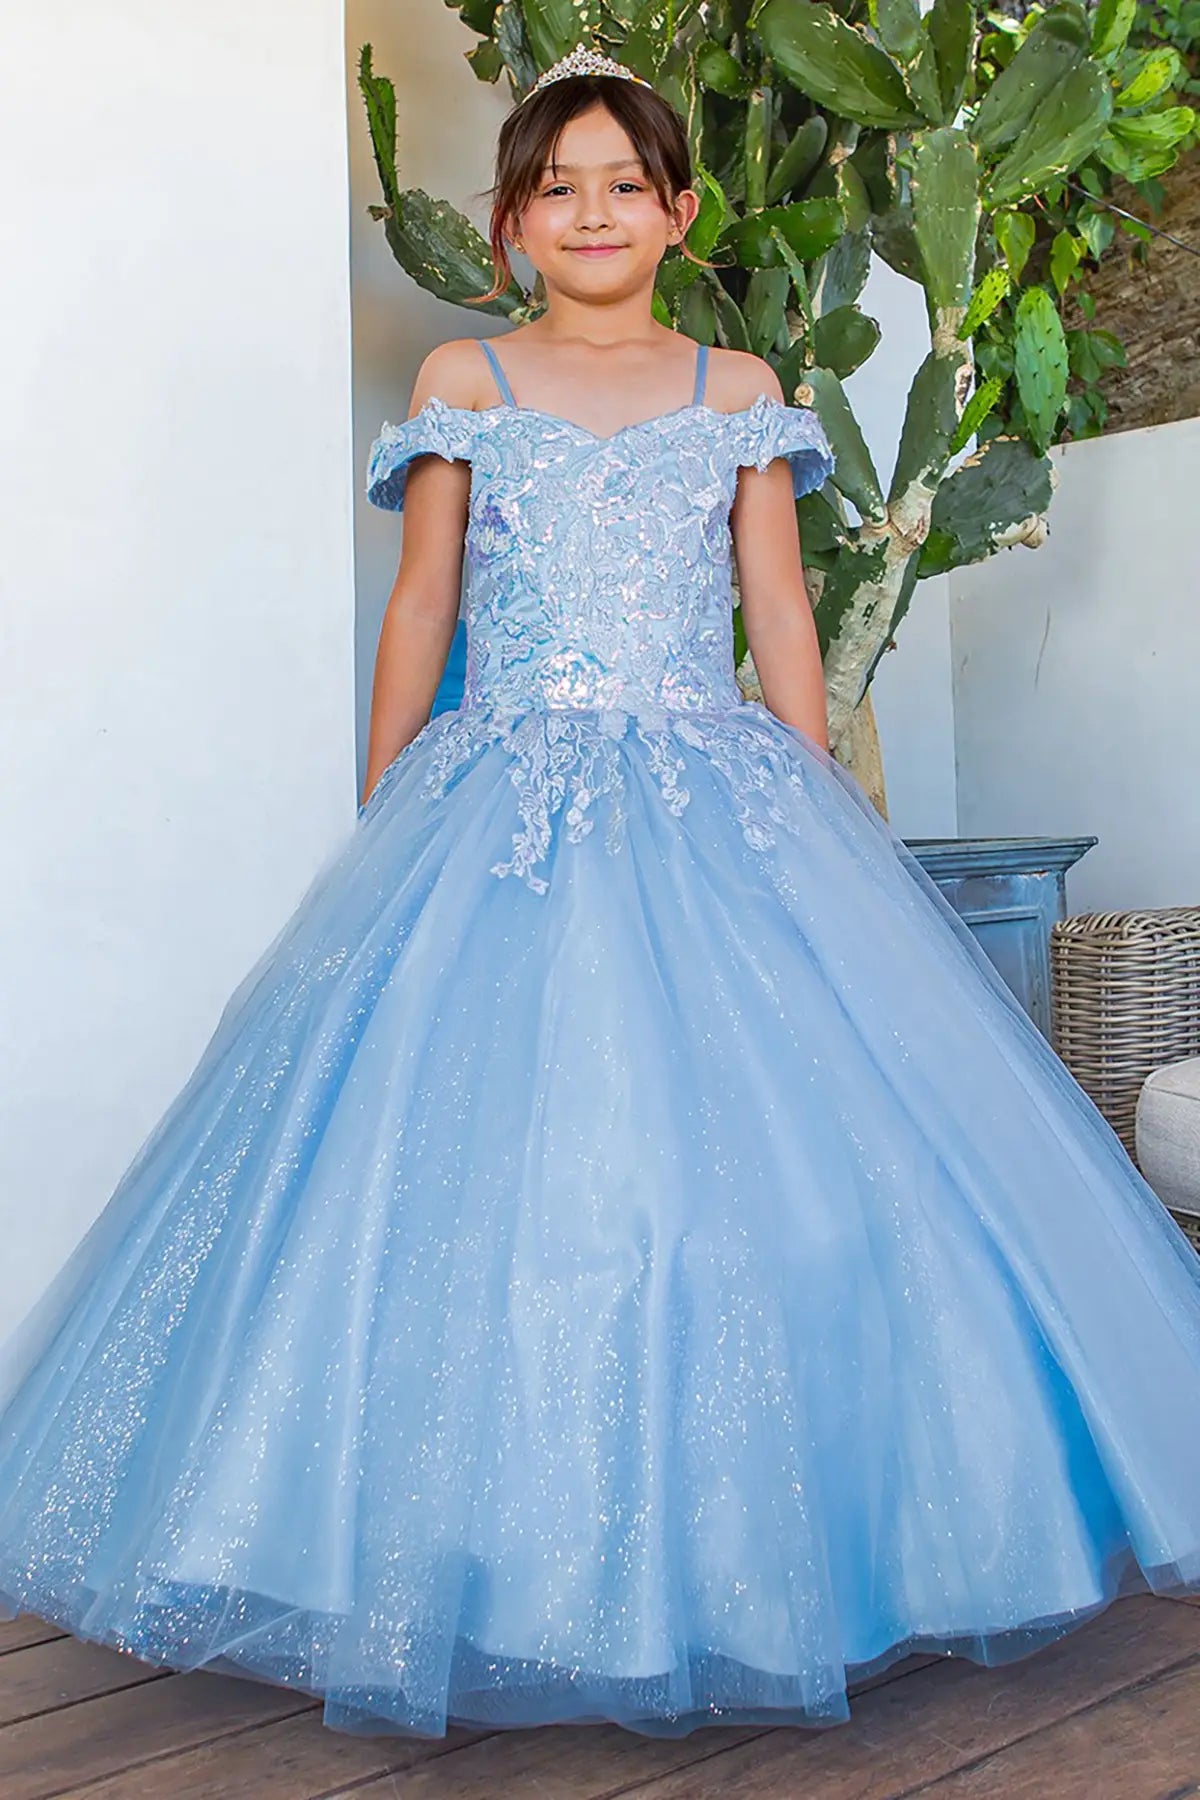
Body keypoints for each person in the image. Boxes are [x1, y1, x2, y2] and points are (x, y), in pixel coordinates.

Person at [1, 43, 1199, 1745]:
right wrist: (391, 794)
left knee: (758, 1178)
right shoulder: (467, 383)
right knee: (474, 1185)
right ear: (506, 221)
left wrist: (815, 802)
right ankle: (487, 1568)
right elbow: (422, 602)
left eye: (623, 183)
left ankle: (791, 1561)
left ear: (678, 211)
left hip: (716, 786)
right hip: (497, 799)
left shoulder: (735, 388)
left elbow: (781, 610)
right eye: (555, 186)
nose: (591, 210)